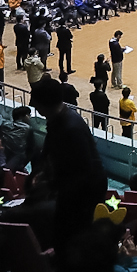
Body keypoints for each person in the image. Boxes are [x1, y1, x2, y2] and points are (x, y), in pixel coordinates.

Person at [32, 75, 106, 253]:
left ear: (43, 105)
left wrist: (51, 185)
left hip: (84, 192)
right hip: (71, 186)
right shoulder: (59, 119)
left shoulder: (71, 128)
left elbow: (83, 172)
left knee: (73, 235)